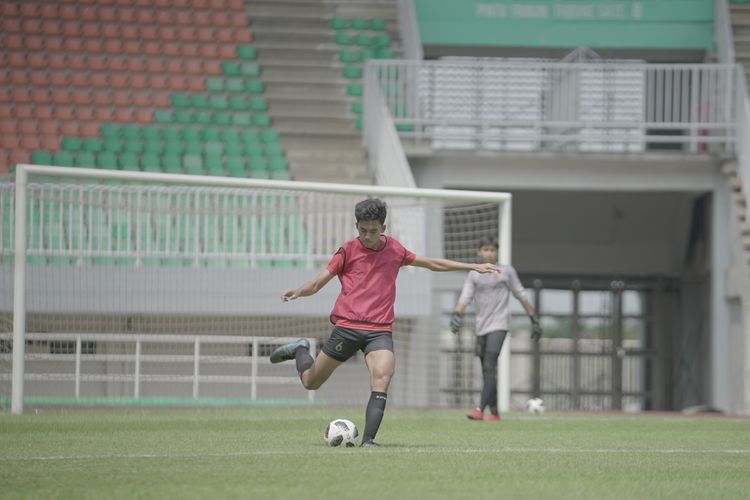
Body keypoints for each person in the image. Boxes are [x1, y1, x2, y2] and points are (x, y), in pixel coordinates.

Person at [270, 198, 500, 448]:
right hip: (347, 328)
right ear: (356, 225)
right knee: (310, 382)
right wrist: (298, 292)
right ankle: (301, 349)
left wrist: (473, 266)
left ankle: (368, 441)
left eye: (373, 230)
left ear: (383, 228)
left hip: (379, 331)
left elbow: (432, 263)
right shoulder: (347, 250)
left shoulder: (395, 250)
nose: (367, 236)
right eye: (362, 230)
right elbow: (317, 283)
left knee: (383, 376)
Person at [450, 236, 542, 421]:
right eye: (485, 249)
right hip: (481, 327)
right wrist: (457, 315)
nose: (489, 253)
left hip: (499, 325)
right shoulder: (474, 273)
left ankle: (479, 409)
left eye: (492, 250)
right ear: (479, 252)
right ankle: (494, 412)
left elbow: (520, 294)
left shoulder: (507, 271)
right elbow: (465, 296)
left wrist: (534, 319)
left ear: (496, 252)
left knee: (490, 365)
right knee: (486, 370)